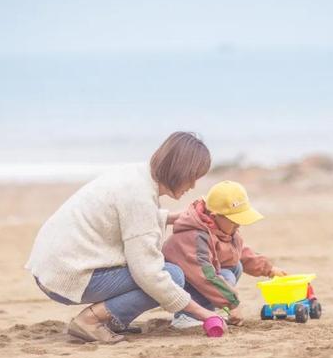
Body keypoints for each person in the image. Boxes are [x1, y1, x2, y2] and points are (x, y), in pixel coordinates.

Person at [25, 132, 224, 344]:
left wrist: (177, 218)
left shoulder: (137, 175)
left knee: (159, 273)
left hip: (54, 266)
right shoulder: (139, 198)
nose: (193, 186)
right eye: (193, 177)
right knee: (171, 276)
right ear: (180, 171)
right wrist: (205, 314)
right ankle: (90, 321)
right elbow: (149, 274)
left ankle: (112, 321)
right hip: (68, 274)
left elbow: (128, 219)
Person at [162, 180, 286, 329]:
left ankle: (207, 308)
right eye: (234, 221)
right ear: (214, 216)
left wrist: (269, 269)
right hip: (182, 281)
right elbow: (205, 275)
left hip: (201, 276)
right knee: (224, 276)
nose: (238, 225)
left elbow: (239, 251)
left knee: (235, 266)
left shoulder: (221, 229)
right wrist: (232, 303)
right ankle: (186, 316)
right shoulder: (196, 236)